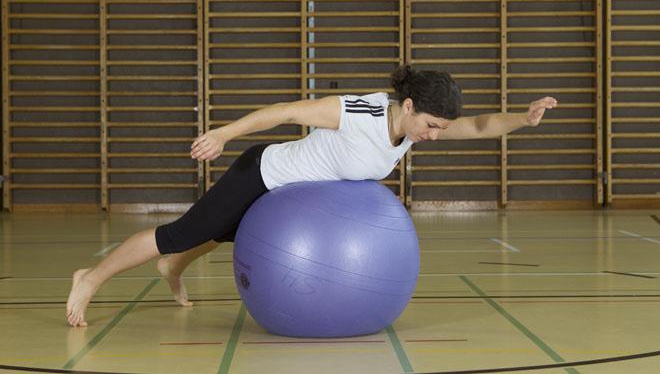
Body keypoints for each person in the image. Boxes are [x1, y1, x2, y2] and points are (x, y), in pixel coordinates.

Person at [66, 65, 557, 327]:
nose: (433, 135)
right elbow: (282, 111)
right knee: (182, 233)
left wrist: (524, 118)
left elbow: (476, 125)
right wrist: (223, 133)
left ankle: (173, 268)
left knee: (223, 233)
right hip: (263, 176)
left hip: (295, 201)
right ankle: (91, 277)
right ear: (408, 106)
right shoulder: (356, 112)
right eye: (430, 125)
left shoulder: (411, 129)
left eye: (439, 128)